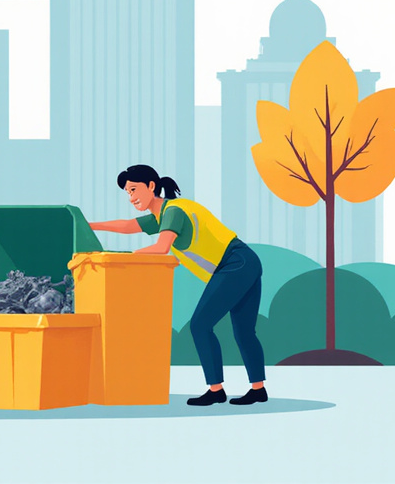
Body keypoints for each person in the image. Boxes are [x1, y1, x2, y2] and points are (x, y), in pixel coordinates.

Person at [88, 164, 268, 407]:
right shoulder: (163, 215)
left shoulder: (173, 212)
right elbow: (129, 226)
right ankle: (258, 389)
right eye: (127, 193)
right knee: (244, 331)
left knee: (200, 325)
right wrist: (92, 225)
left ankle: (216, 390)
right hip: (246, 261)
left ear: (151, 186)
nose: (131, 197)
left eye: (133, 190)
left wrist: (127, 256)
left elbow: (161, 248)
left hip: (235, 263)